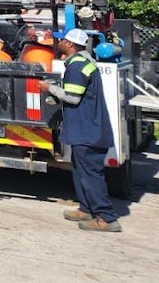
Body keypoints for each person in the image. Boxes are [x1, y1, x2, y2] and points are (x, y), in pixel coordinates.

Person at [48, 28, 121, 232]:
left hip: (87, 131)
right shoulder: (83, 62)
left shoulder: (77, 66)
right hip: (86, 129)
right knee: (80, 171)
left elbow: (73, 97)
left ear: (70, 45)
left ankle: (106, 217)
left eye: (62, 40)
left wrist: (50, 89)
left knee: (90, 174)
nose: (59, 41)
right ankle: (86, 208)